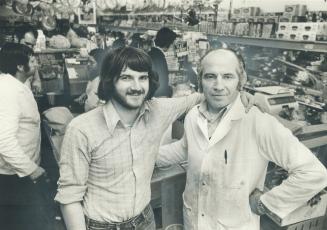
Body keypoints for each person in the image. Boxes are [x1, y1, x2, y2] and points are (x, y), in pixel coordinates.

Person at [55, 46, 255, 230]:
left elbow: (198, 97)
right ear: (109, 80)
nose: (136, 86)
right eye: (126, 78)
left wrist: (240, 94)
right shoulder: (82, 129)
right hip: (102, 226)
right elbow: (70, 196)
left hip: (145, 221)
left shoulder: (158, 110)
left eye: (142, 78)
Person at [157, 48, 327, 230]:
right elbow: (185, 148)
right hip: (194, 220)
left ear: (241, 81)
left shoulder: (257, 120)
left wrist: (265, 203)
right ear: (200, 81)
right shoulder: (193, 115)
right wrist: (142, 156)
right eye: (210, 76)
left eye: (228, 76)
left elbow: (313, 172)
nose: (218, 85)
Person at [0, 43, 49, 230]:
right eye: (32, 60)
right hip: (14, 176)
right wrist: (31, 169)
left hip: (20, 172)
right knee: (21, 223)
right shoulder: (7, 91)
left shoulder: (16, 83)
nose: (36, 64)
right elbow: (3, 141)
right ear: (20, 66)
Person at [148, 27, 177, 97]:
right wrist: (168, 92)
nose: (172, 46)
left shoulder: (153, 53)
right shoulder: (158, 57)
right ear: (168, 43)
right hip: (158, 97)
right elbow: (160, 81)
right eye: (172, 43)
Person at [15, 24, 42, 94]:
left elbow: (36, 79)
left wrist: (36, 86)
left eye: (32, 45)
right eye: (27, 44)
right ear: (16, 39)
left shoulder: (30, 58)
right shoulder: (4, 56)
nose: (30, 48)